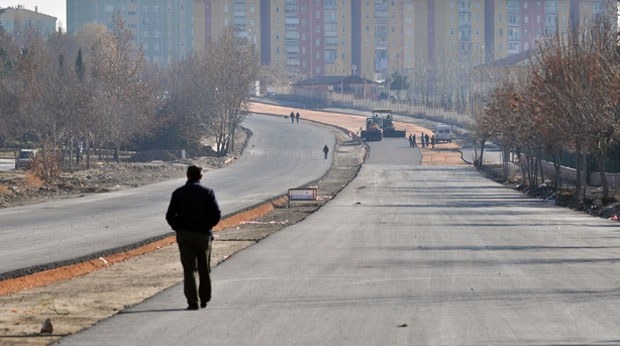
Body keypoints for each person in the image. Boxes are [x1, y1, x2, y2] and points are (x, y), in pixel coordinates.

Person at [166, 165, 221, 310]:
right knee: (204, 268)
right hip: (203, 236)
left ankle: (192, 301)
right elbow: (216, 214)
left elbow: (170, 216)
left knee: (189, 269)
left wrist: (178, 228)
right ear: (200, 176)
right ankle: (204, 298)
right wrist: (208, 226)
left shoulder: (178, 193)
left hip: (185, 236)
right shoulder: (207, 192)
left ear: (187, 175)